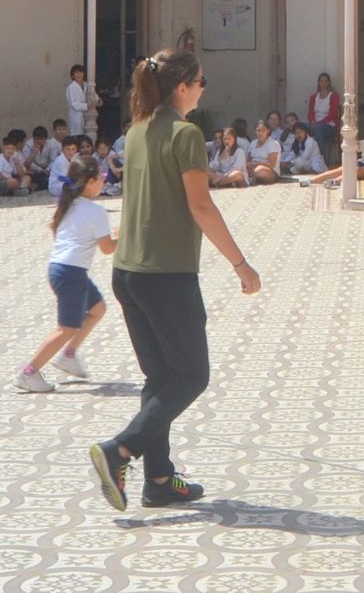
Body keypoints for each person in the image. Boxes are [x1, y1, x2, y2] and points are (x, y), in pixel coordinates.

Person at [90, 48, 261, 512]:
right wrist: (241, 264)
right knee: (191, 375)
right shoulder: (186, 134)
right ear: (182, 88)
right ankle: (119, 449)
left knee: (161, 377)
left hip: (129, 273)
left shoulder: (137, 130)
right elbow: (201, 205)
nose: (205, 89)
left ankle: (160, 479)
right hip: (166, 275)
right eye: (201, 82)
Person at [16, 155, 115, 393]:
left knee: (98, 309)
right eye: (101, 177)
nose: (104, 180)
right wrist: (129, 237)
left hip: (61, 269)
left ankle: (69, 355)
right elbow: (108, 248)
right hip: (71, 274)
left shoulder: (68, 205)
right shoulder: (96, 211)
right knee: (66, 328)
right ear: (90, 181)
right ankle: (29, 372)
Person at [306, 73, 342, 166]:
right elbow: (310, 113)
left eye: (326, 81)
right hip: (315, 124)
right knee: (300, 127)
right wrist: (313, 122)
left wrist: (319, 123)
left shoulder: (333, 95)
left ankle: (321, 158)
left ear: (329, 83)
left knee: (317, 129)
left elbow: (333, 113)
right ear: (318, 83)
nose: (323, 83)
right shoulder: (313, 97)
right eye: (321, 81)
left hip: (329, 125)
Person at [66, 64, 97, 138]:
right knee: (77, 137)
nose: (79, 75)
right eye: (76, 73)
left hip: (88, 117)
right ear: (72, 76)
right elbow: (74, 104)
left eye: (81, 72)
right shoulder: (71, 87)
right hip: (76, 117)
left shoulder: (87, 85)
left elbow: (94, 96)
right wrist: (87, 105)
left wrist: (98, 100)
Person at [246, 120, 281, 185]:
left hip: (270, 171)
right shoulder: (253, 143)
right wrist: (248, 165)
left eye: (263, 130)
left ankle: (251, 178)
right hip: (253, 168)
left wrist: (255, 164)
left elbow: (271, 164)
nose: (260, 133)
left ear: (268, 131)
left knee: (258, 170)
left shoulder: (272, 143)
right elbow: (248, 160)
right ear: (255, 131)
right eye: (258, 130)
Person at [23, 127, 56, 192]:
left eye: (43, 139)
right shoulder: (28, 145)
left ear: (46, 139)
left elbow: (53, 160)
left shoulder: (51, 144)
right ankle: (35, 186)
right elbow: (26, 163)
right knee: (33, 177)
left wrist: (47, 169)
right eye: (37, 139)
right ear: (34, 139)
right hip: (34, 170)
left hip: (48, 170)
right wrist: (34, 151)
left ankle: (34, 186)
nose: (40, 141)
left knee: (52, 179)